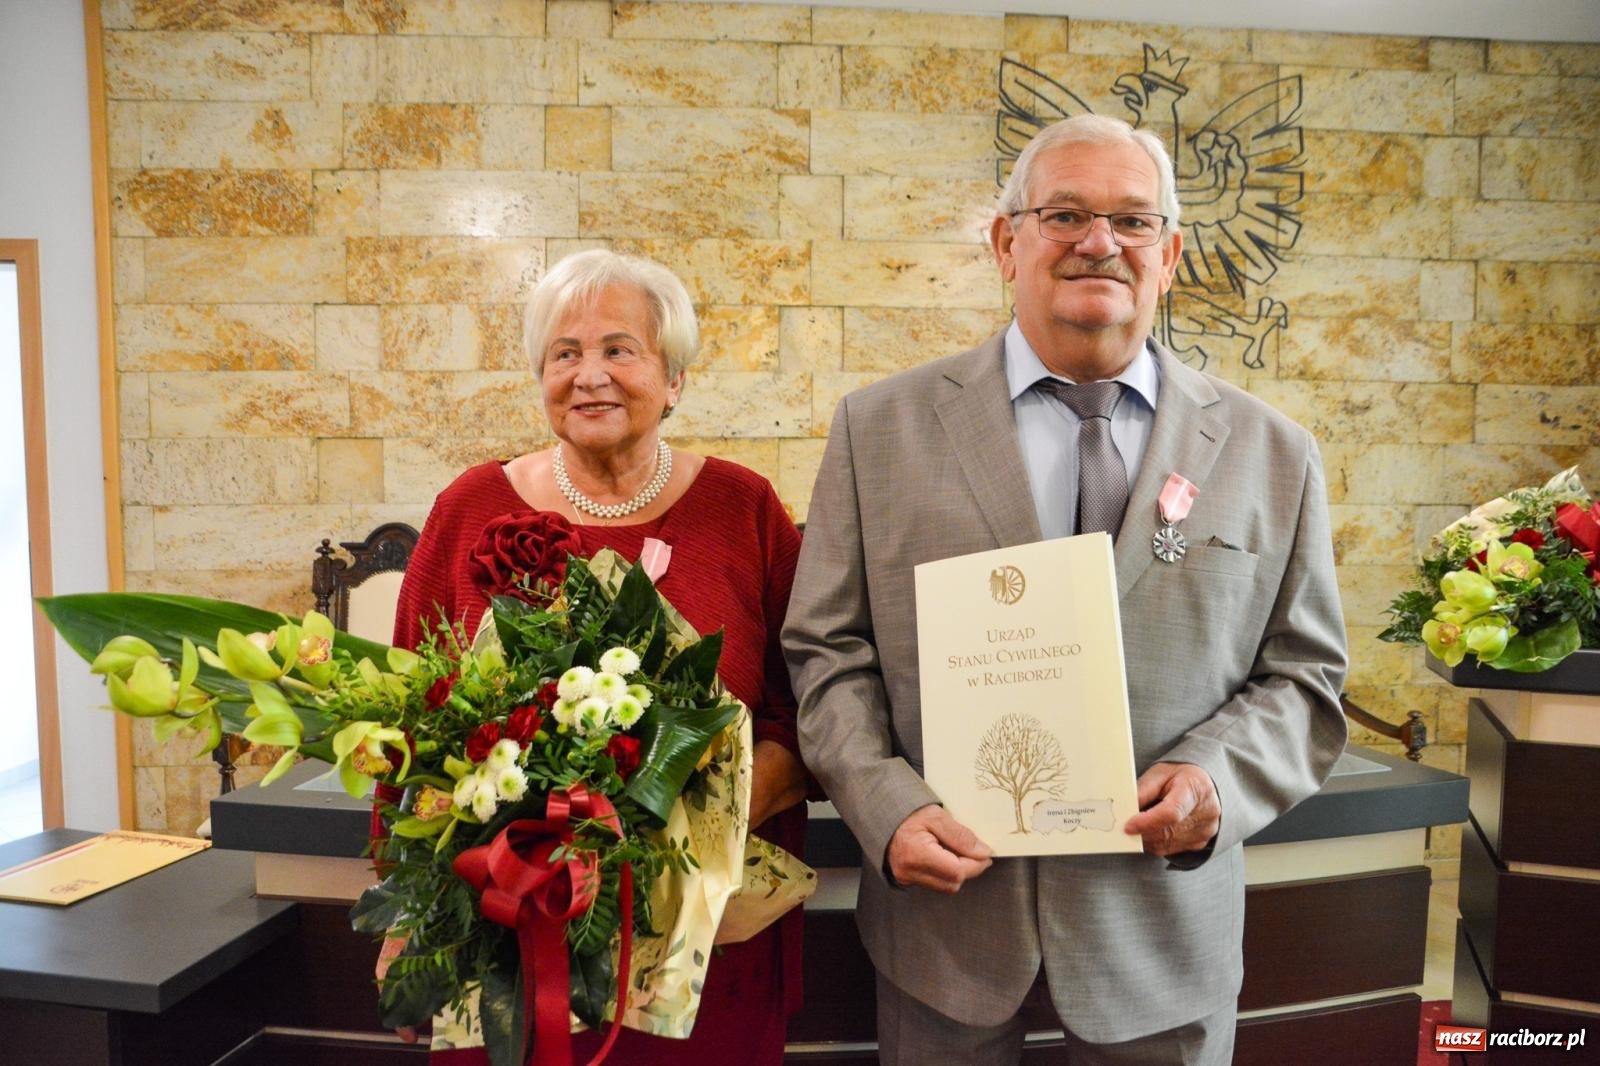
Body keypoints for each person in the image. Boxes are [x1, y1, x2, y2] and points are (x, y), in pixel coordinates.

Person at [782, 113, 1348, 1065]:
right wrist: (887, 808)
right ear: (1007, 242)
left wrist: (1214, 778)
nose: (1100, 242)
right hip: (943, 938)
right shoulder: (878, 430)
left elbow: (1305, 679)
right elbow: (826, 654)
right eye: (1066, 214)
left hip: (1161, 941)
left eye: (1133, 221)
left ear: (1168, 253)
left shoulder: (1273, 453)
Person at [387, 249, 809, 1064]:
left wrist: (683, 832)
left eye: (620, 349)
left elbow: (808, 712)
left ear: (674, 377)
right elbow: (408, 731)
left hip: (701, 943)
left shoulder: (744, 508)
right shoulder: (470, 508)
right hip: (507, 938)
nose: (590, 376)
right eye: (564, 354)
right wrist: (410, 918)